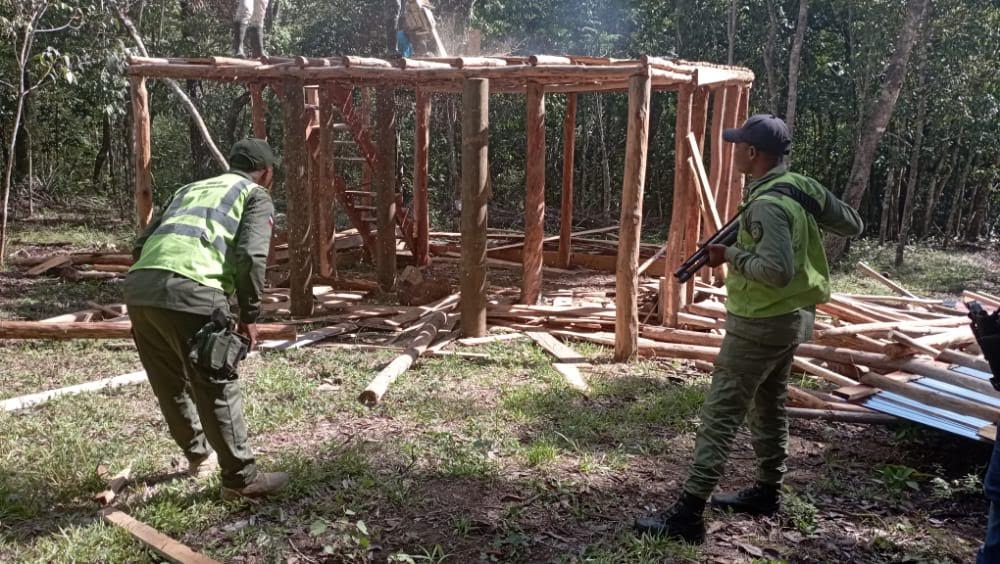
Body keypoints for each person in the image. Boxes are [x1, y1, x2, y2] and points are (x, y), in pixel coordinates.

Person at [634, 114, 864, 543]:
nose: (736, 151)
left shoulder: (766, 204)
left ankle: (688, 513)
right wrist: (806, 206)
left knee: (721, 412)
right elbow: (852, 223)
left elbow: (776, 270)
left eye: (740, 145)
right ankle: (767, 490)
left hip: (760, 321)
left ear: (753, 153)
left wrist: (732, 256)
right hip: (792, 318)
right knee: (769, 403)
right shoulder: (799, 187)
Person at [125, 138, 287, 499]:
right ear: (267, 172)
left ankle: (199, 457)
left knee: (168, 380)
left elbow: (141, 243)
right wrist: (250, 315)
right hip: (194, 290)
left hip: (140, 287)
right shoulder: (256, 195)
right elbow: (250, 255)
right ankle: (241, 481)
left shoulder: (190, 188)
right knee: (216, 381)